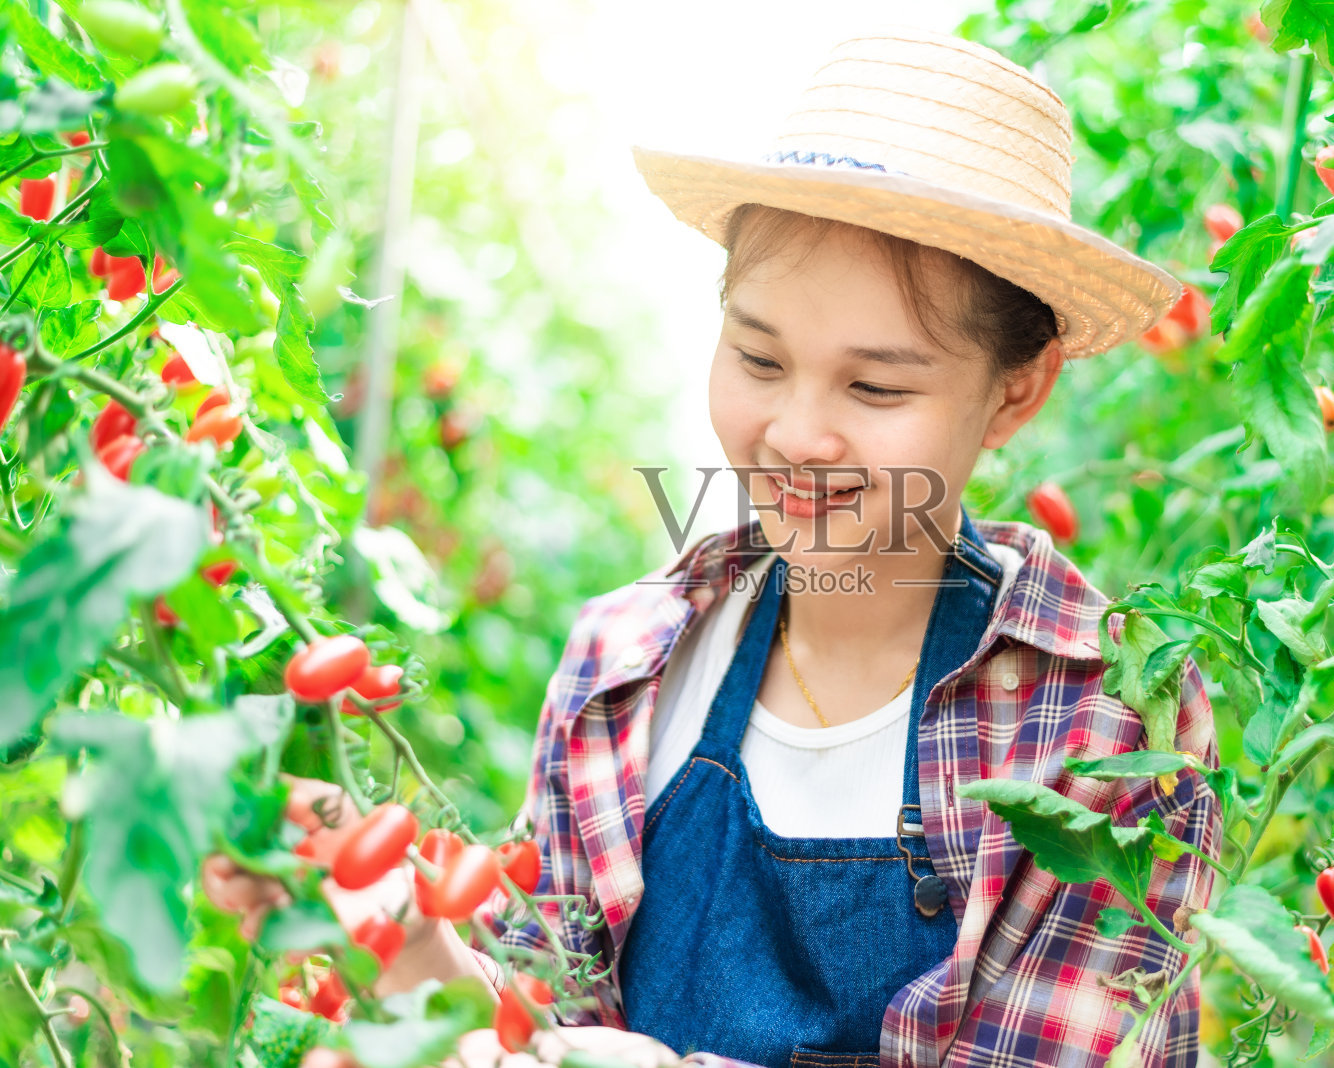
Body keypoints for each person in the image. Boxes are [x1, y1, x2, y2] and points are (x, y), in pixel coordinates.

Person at [208, 24, 1220, 1068]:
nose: (795, 434)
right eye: (757, 356)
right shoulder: (625, 667)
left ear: (1016, 389)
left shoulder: (1101, 718)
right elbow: (531, 1030)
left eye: (875, 386)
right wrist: (410, 940)